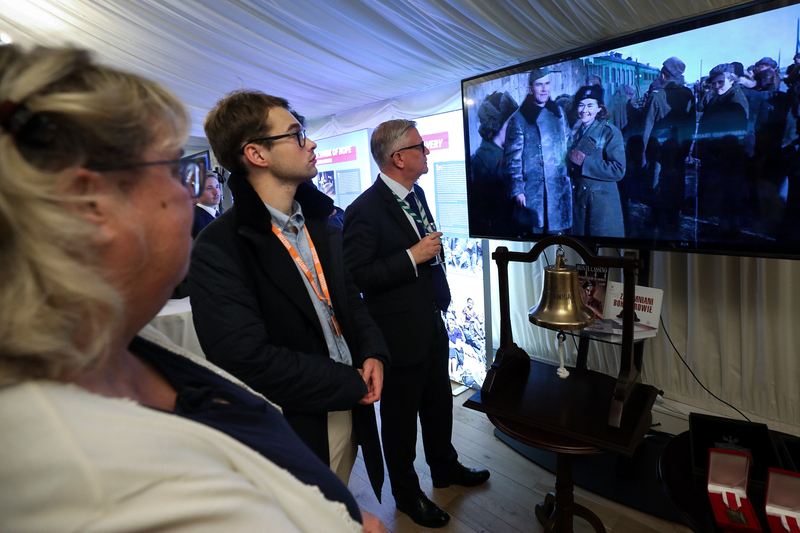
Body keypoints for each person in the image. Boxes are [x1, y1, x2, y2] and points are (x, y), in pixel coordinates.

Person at [0, 44, 380, 533]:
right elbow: (246, 357)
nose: (188, 192)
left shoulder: (115, 348)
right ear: (89, 204)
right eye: (171, 168)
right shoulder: (115, 490)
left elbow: (343, 299)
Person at [192, 90, 390, 504]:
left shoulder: (320, 219)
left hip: (350, 404)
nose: (311, 143)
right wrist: (346, 381)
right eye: (297, 135)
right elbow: (245, 357)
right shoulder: (220, 247)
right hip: (295, 422)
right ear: (256, 154)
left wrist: (372, 351)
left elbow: (347, 299)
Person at [343, 119, 490, 528]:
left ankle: (444, 468)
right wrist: (412, 256)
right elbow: (357, 276)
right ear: (399, 157)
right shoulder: (363, 210)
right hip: (396, 334)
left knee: (439, 403)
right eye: (421, 146)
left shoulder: (416, 193)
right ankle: (407, 495)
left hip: (430, 321)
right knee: (401, 420)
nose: (428, 152)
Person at [504, 67, 573, 235]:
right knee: (538, 240)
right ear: (530, 88)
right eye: (539, 85)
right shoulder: (518, 119)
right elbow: (513, 160)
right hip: (534, 194)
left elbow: (568, 144)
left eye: (547, 84)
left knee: (561, 240)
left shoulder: (558, 113)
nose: (544, 89)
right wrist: (518, 190)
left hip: (559, 190)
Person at [639, 57, 695, 232]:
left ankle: (656, 218)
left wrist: (642, 153)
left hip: (658, 149)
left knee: (656, 182)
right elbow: (692, 124)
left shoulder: (658, 95)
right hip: (679, 148)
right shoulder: (688, 94)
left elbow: (646, 126)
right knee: (677, 183)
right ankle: (673, 221)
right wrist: (687, 148)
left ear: (663, 76)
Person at [695, 63, 748, 235]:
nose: (716, 86)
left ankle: (729, 232)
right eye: (713, 83)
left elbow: (733, 134)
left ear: (731, 80)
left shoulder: (735, 100)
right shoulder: (720, 97)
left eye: (720, 82)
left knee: (728, 195)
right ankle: (723, 228)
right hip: (716, 155)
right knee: (722, 196)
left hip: (726, 157)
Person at [567, 85, 626, 237]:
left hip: (600, 206)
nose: (584, 110)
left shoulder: (610, 133)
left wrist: (585, 161)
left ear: (599, 108)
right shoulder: (575, 133)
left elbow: (618, 170)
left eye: (590, 105)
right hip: (580, 202)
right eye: (581, 105)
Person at [469, 90, 519, 236]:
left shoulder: (512, 154)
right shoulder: (481, 163)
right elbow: (481, 219)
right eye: (512, 121)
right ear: (498, 125)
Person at [192, 171, 221, 237]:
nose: (216, 192)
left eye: (217, 186)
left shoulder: (219, 214)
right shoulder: (196, 220)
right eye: (209, 188)